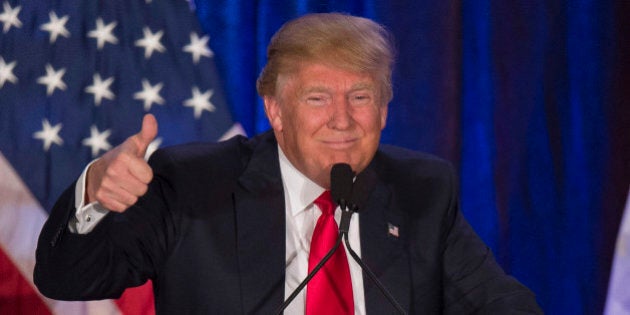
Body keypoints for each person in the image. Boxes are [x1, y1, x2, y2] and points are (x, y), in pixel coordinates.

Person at [34, 12, 542, 314]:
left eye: (361, 96)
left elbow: (502, 305)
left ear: (385, 109)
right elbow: (66, 280)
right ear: (276, 110)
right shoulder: (193, 184)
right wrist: (94, 192)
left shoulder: (421, 191)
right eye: (318, 98)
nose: (343, 120)